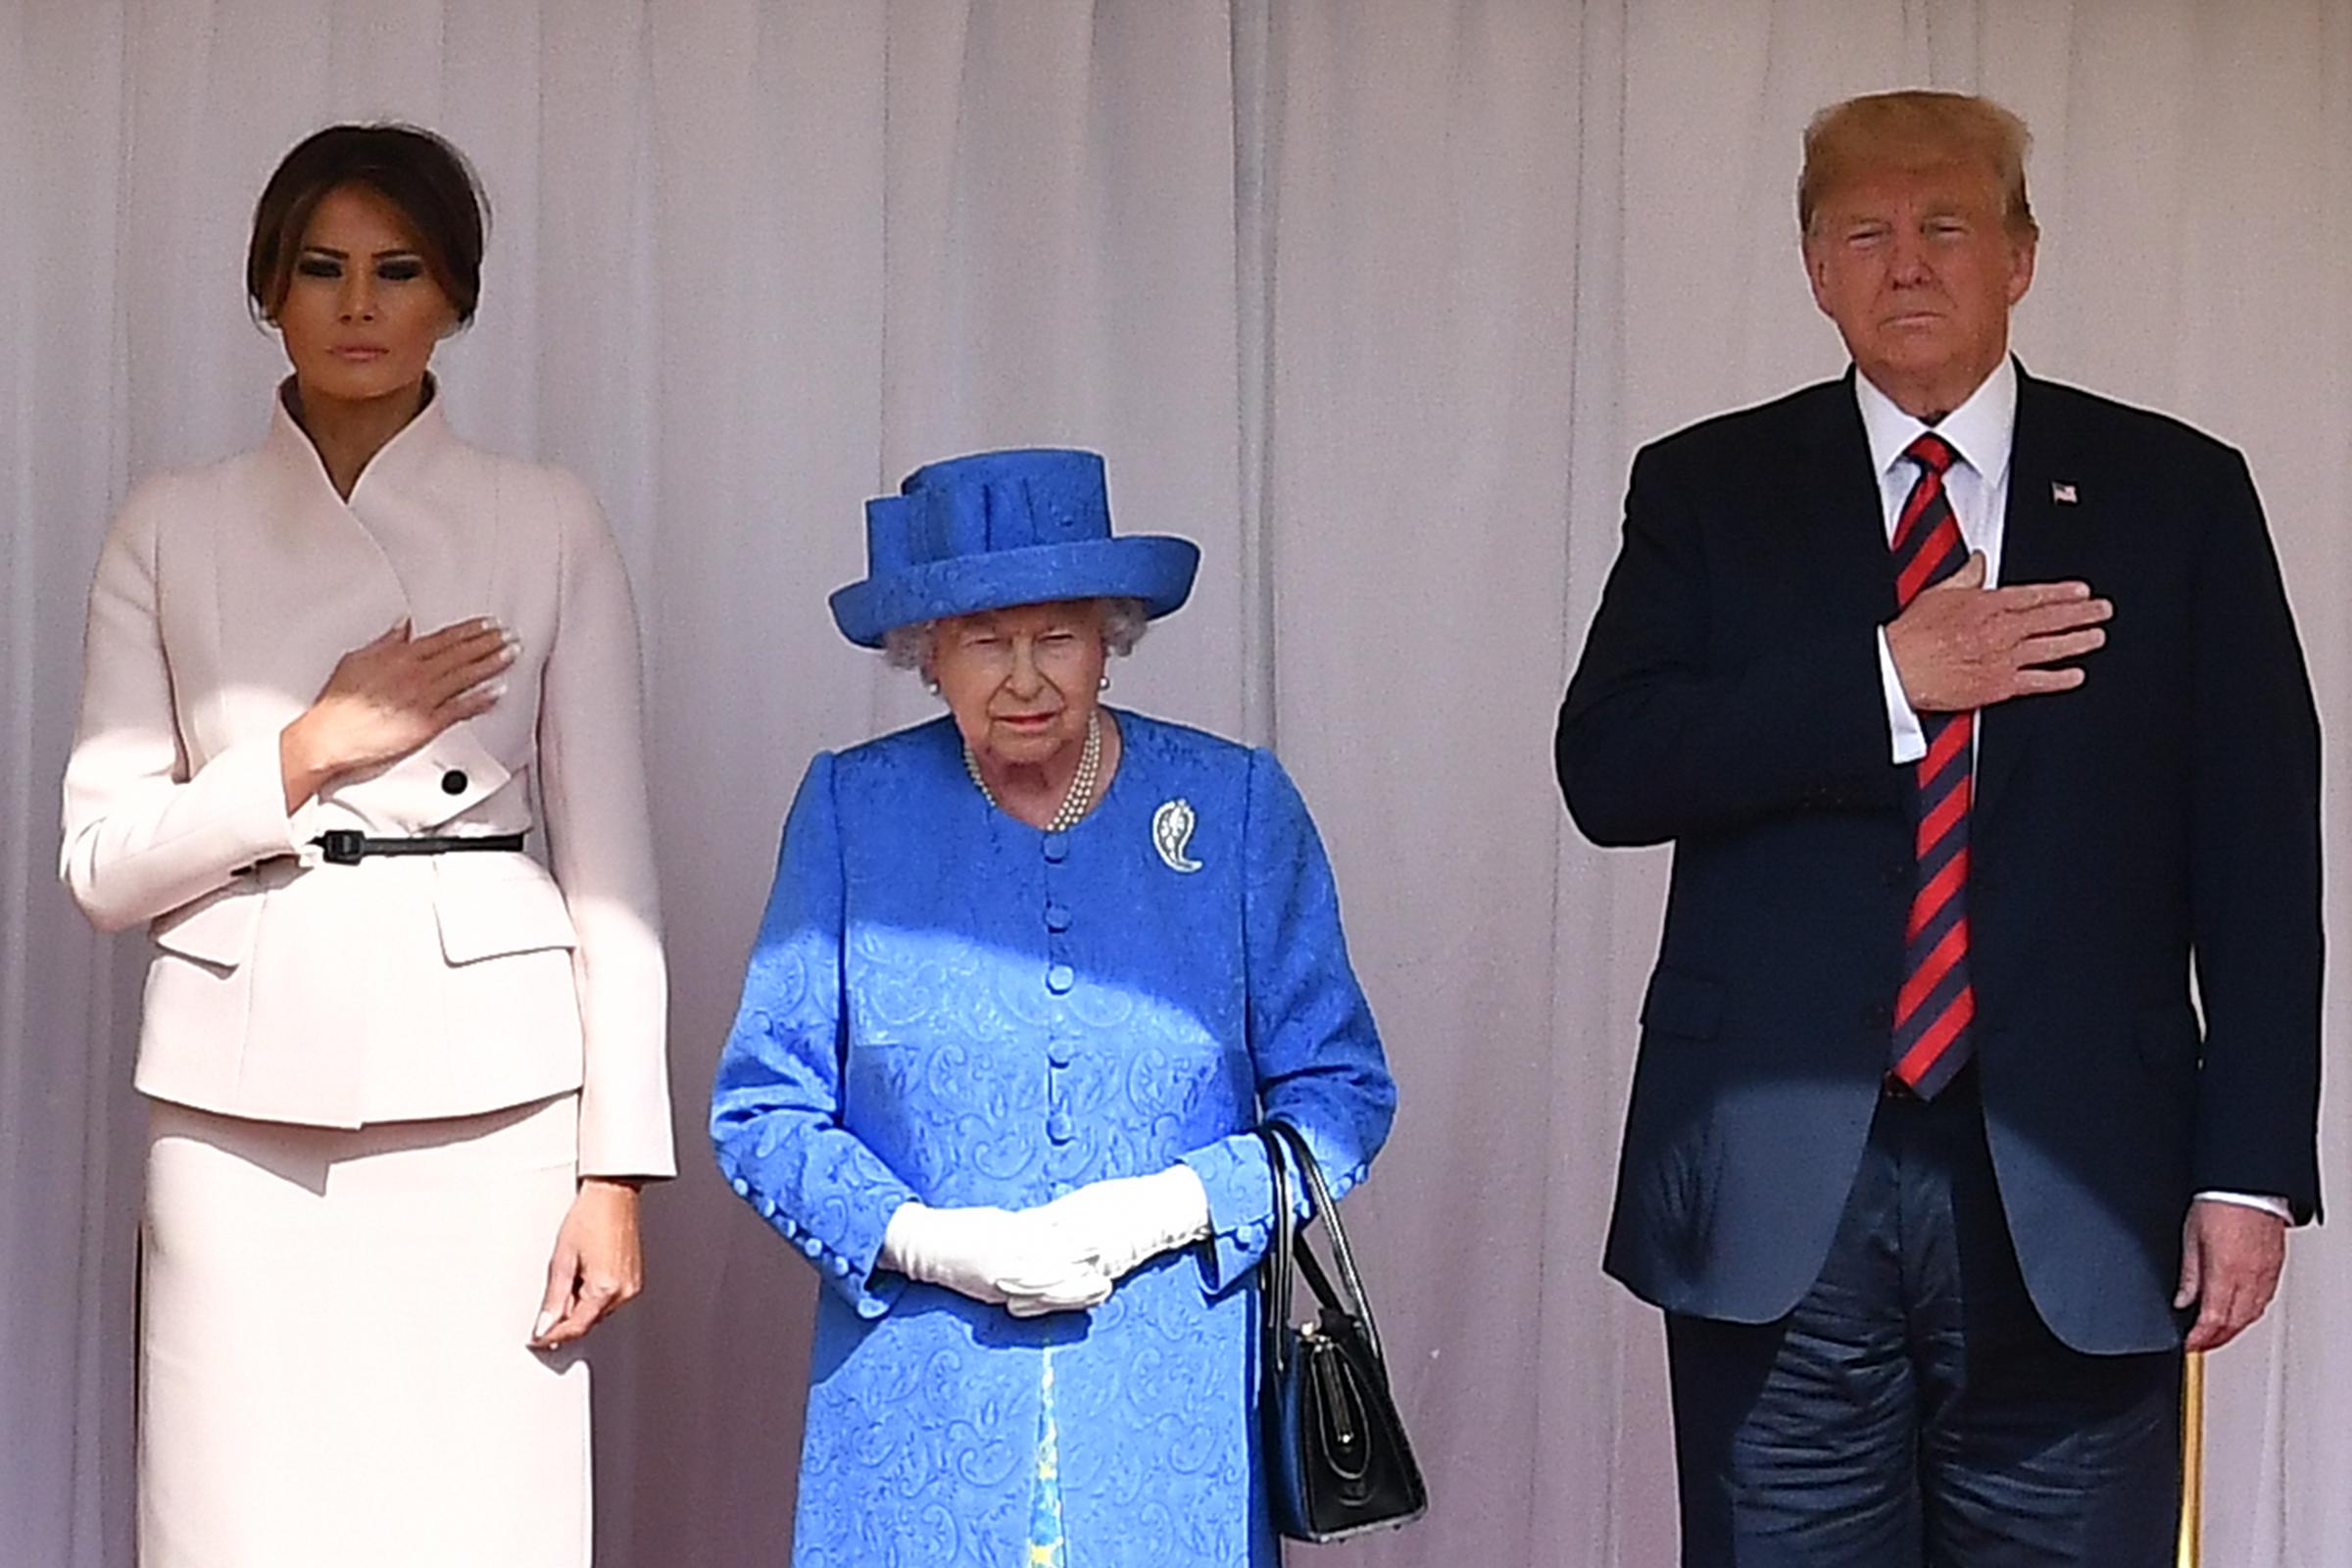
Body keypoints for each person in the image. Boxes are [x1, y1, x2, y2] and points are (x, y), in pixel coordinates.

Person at [1555, 90, 2321, 1566]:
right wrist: (1887, 678)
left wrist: (2247, 1168)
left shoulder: (2179, 497)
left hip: (2086, 1188)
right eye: (1867, 232)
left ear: (2022, 258)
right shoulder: (1709, 489)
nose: (1908, 263)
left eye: (1947, 226)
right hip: (1782, 1199)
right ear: (1814, 267)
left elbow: (2262, 859)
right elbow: (1611, 770)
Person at [60, 123, 671, 1568]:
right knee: (232, 1522)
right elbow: (100, 867)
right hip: (233, 1110)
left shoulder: (549, 517)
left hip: (501, 1105)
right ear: (267, 290)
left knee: (482, 1519)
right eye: (320, 268)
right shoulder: (171, 524)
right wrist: (309, 744)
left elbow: (616, 874)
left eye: (398, 270)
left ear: (453, 297)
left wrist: (615, 1172)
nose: (356, 304)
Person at [710, 447, 1396, 1568]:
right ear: (927, 654)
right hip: (915, 1416)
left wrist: (1170, 1207)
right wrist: (927, 1241)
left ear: (1110, 640)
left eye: (1058, 636)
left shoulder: (1232, 809)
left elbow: (1342, 1094)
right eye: (985, 640)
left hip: (1167, 1419)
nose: (1024, 678)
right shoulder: (853, 809)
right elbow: (761, 1111)